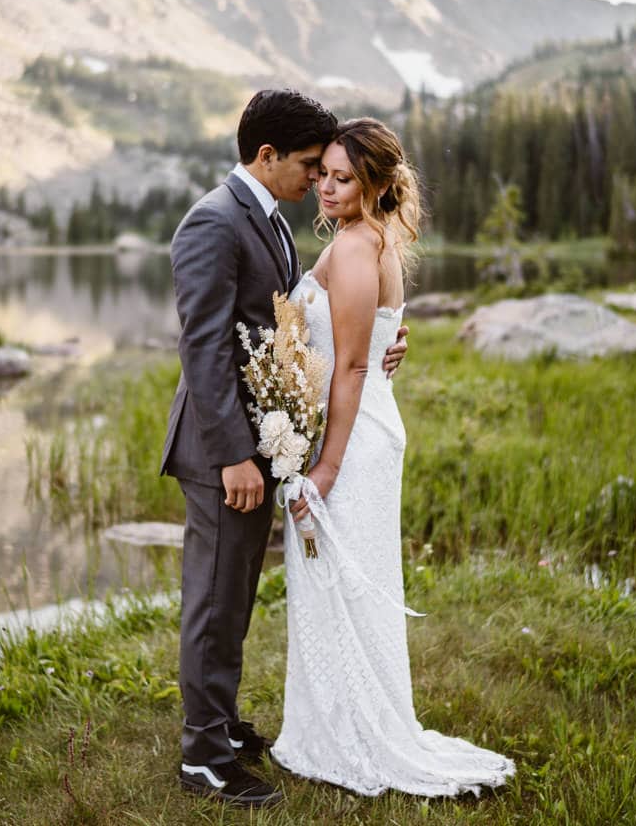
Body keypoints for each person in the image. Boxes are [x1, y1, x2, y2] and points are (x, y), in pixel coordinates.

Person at [160, 90, 409, 808]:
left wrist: (381, 332)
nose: (315, 181)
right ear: (266, 157)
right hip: (223, 451)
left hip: (260, 444)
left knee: (234, 590)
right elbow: (204, 346)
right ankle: (204, 758)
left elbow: (295, 325)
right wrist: (237, 454)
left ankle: (223, 723)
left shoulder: (266, 217)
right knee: (213, 596)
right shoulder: (212, 222)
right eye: (308, 166)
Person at [271, 117, 515, 796]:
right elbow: (371, 348)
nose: (325, 186)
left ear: (375, 183)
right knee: (351, 582)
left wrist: (324, 466)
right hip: (369, 426)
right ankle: (343, 720)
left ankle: (348, 734)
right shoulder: (372, 242)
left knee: (341, 579)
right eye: (323, 173)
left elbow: (350, 366)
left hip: (352, 442)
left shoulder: (354, 249)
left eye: (343, 178)